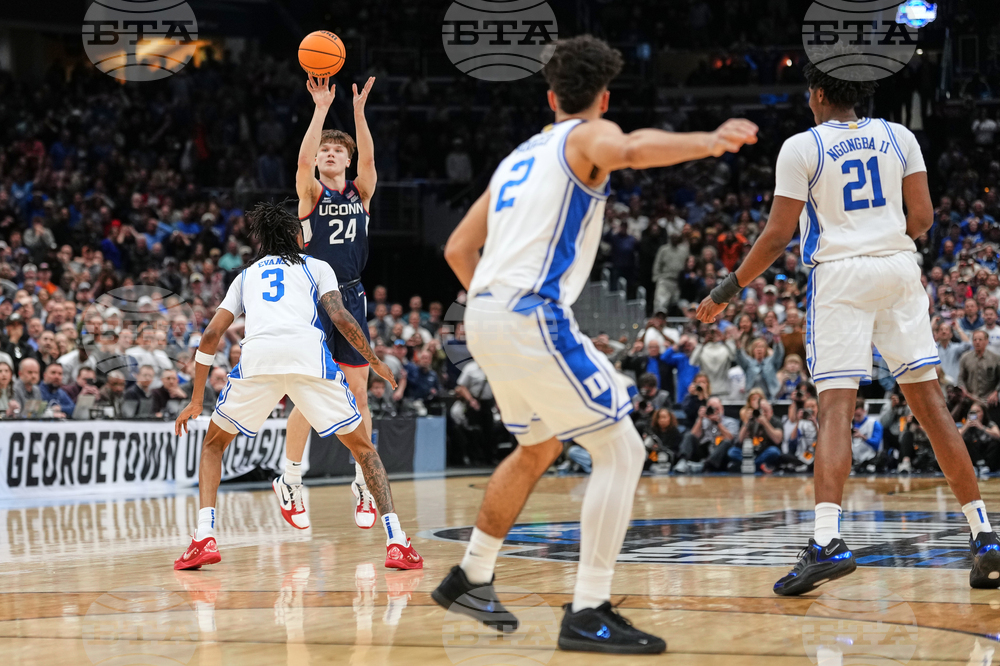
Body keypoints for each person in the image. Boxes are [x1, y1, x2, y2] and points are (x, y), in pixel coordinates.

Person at [434, 34, 756, 653]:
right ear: (602, 98)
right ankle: (588, 609)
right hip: (530, 313)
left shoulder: (515, 159)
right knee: (622, 450)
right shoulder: (586, 137)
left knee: (538, 445)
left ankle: (471, 574)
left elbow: (455, 249)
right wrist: (711, 141)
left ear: (551, 96)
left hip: (484, 314)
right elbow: (630, 149)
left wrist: (494, 308)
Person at [697, 62, 998, 594]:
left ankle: (827, 539)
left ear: (817, 94)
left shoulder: (802, 146)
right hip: (899, 267)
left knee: (836, 407)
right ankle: (984, 535)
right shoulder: (899, 135)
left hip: (841, 275)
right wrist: (881, 238)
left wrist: (726, 289)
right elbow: (923, 220)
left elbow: (776, 236)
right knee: (930, 406)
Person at [172, 202, 422, 572]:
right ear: (295, 237)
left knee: (212, 445)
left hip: (259, 360)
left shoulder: (245, 276)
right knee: (364, 450)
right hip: (307, 357)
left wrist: (196, 400)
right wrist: (373, 359)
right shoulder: (318, 266)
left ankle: (203, 537)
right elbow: (340, 317)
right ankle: (397, 541)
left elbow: (210, 335)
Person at [288, 74, 381, 530]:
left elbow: (370, 158)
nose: (330, 153)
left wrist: (359, 114)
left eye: (338, 150)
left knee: (358, 392)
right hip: (311, 297)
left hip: (352, 296)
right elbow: (303, 160)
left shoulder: (360, 193)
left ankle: (364, 483)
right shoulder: (311, 192)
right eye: (326, 149)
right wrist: (321, 109)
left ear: (348, 159)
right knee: (307, 391)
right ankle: (290, 477)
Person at [960, 402, 1000, 475]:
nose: (975, 414)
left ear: (983, 413)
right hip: (973, 455)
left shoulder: (989, 423)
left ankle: (985, 466)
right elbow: (955, 438)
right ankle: (973, 466)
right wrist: (966, 426)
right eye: (972, 412)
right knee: (966, 442)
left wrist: (981, 427)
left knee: (995, 443)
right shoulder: (965, 425)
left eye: (978, 412)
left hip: (987, 454)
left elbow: (998, 435)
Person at [850, 399, 884, 471]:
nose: (856, 418)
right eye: (854, 415)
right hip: (854, 460)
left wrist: (862, 437)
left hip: (870, 459)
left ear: (864, 411)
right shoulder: (850, 424)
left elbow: (877, 444)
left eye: (858, 415)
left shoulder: (874, 424)